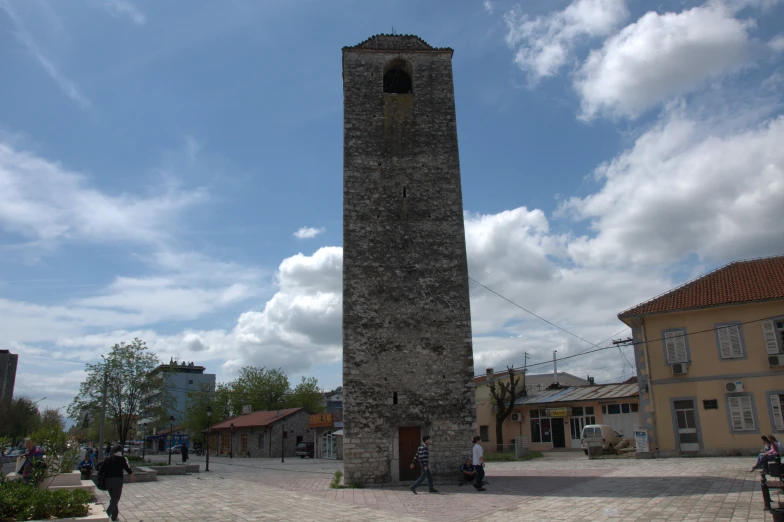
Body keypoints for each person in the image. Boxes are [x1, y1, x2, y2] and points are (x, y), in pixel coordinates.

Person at [98, 444, 135, 521]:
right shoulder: (122, 459)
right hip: (117, 481)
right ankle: (107, 514)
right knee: (115, 499)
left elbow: (101, 469)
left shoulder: (108, 459)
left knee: (113, 499)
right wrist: (131, 475)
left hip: (108, 481)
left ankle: (114, 517)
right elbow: (127, 468)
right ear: (121, 451)